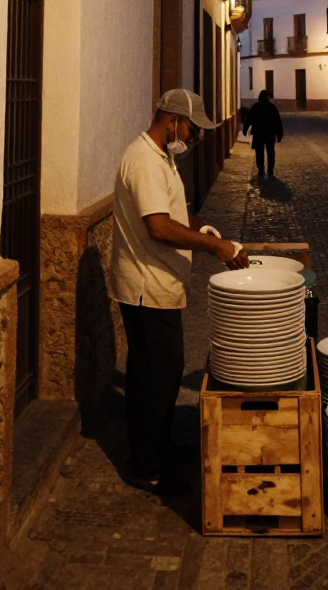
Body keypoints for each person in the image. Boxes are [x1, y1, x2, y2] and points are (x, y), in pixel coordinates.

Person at [109, 87, 249, 494]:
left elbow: (176, 215)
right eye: (191, 128)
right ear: (172, 119)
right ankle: (148, 467)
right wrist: (215, 247)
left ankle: (157, 447)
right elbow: (158, 226)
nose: (194, 137)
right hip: (146, 287)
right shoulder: (145, 163)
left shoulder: (162, 158)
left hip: (159, 286)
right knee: (160, 376)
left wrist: (204, 232)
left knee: (151, 374)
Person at [243, 89, 284, 177]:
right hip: (270, 133)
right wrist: (279, 134)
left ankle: (261, 170)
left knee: (260, 152)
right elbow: (278, 121)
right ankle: (269, 170)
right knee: (270, 152)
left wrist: (245, 129)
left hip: (259, 133)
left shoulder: (256, 106)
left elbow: (249, 119)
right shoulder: (271, 107)